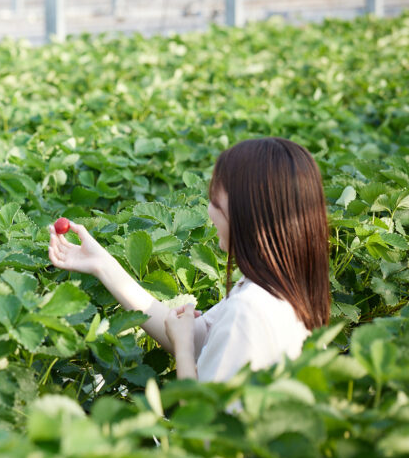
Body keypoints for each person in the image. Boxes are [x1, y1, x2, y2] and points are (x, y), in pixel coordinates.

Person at [48, 137, 330, 382]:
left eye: (216, 204)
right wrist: (103, 264)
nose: (210, 213)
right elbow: (203, 342)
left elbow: (202, 428)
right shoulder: (277, 287)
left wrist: (182, 349)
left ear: (249, 220)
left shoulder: (249, 311)